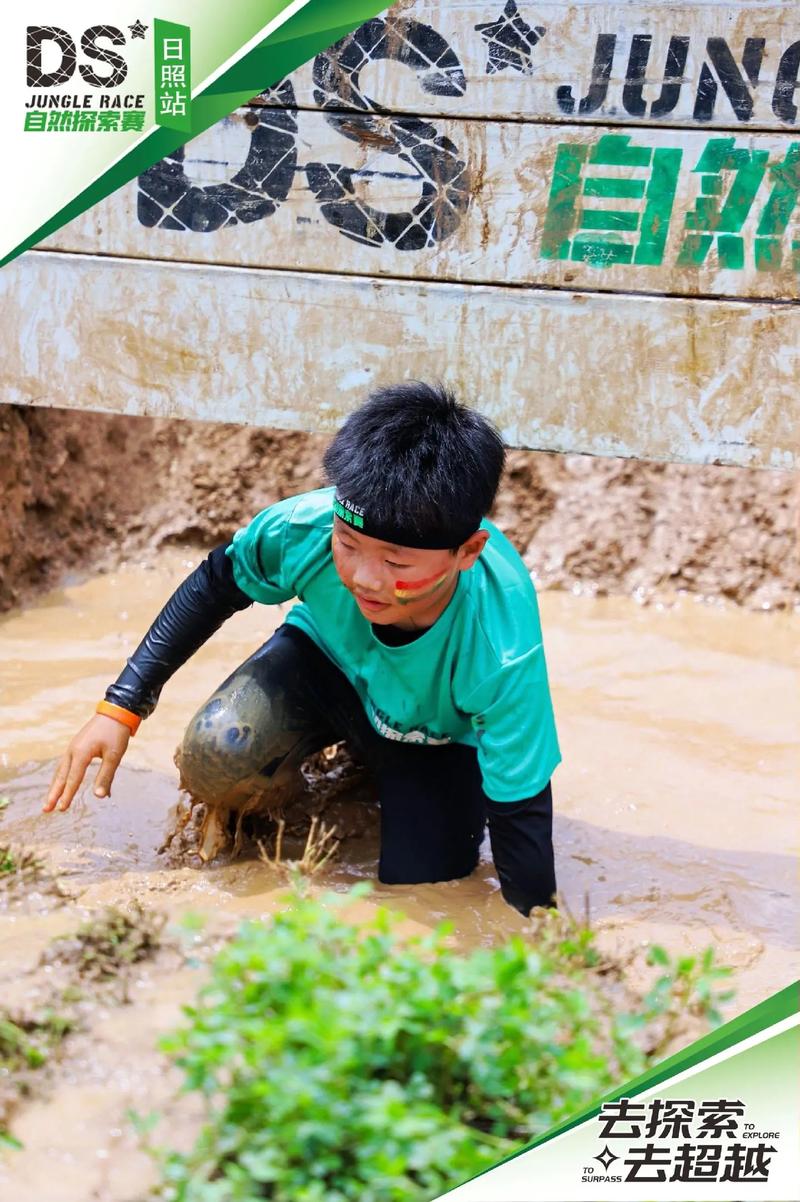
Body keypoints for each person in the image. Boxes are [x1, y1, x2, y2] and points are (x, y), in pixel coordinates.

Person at [44, 382, 561, 915]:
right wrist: (121, 706)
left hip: (433, 740)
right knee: (217, 751)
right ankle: (298, 792)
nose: (363, 577)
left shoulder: (501, 648)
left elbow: (521, 809)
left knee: (421, 894)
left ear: (468, 552)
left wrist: (537, 933)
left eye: (397, 563)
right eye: (349, 544)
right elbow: (216, 585)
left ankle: (377, 781)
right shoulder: (307, 526)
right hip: (325, 663)